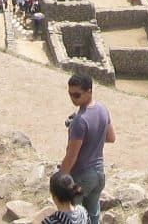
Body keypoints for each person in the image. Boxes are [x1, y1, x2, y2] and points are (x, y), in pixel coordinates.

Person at [59, 71, 114, 224]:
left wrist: (60, 177)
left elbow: (72, 155)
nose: (72, 98)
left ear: (89, 91)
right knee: (93, 215)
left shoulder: (79, 121)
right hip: (98, 174)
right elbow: (110, 138)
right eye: (70, 94)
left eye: (77, 95)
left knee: (71, 216)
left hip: (82, 176)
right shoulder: (103, 109)